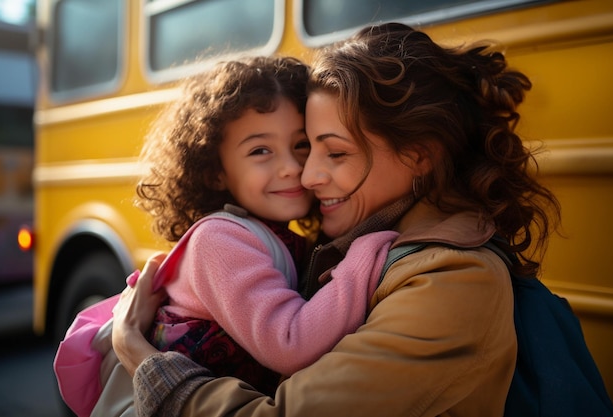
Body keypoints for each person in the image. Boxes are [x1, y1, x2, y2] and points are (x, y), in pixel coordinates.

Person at [112, 23, 561, 417]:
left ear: (419, 155)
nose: (304, 175)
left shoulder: (451, 279)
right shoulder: (359, 244)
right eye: (310, 147)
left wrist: (144, 361)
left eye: (335, 152)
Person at [100, 55, 398, 399]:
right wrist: (366, 251)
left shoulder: (278, 235)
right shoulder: (218, 240)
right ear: (215, 171)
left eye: (301, 145)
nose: (290, 166)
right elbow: (291, 344)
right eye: (260, 150)